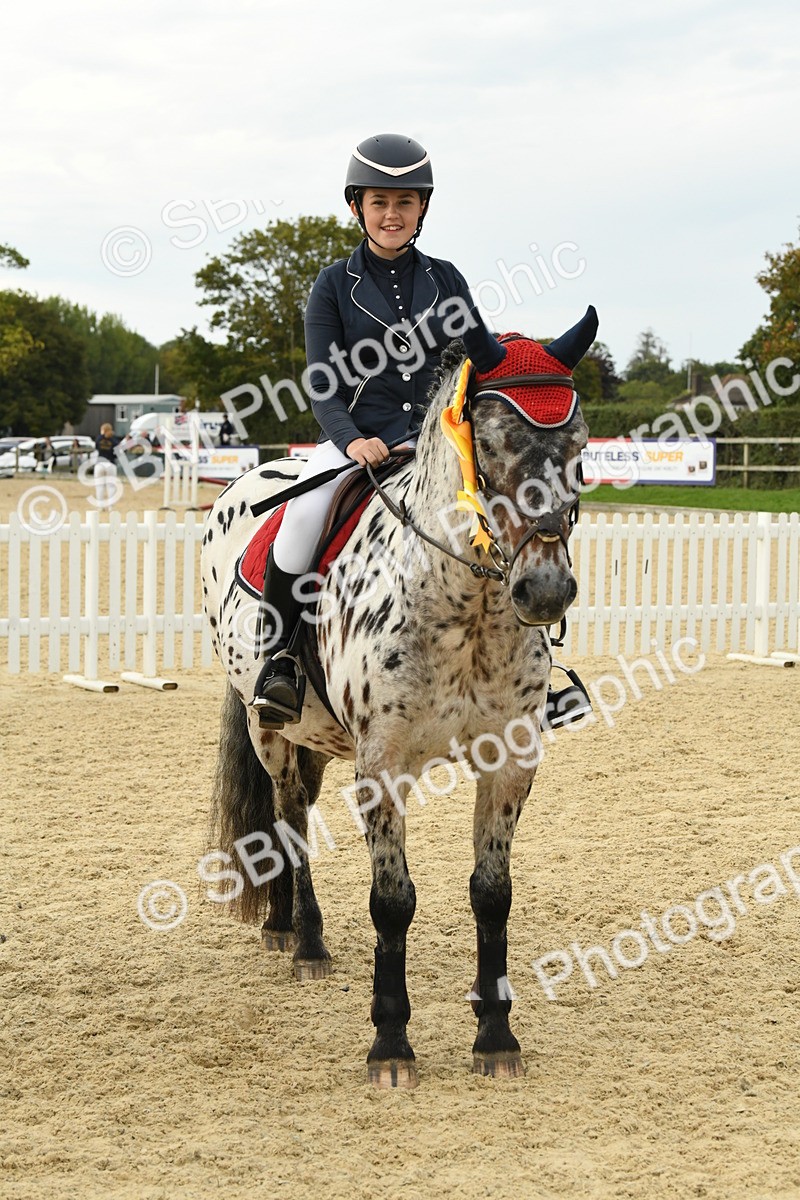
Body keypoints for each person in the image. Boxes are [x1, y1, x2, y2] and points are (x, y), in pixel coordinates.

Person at [250, 133, 507, 726]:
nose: (392, 214)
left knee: (509, 515)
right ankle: (280, 661)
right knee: (302, 518)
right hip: (357, 443)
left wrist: (533, 364)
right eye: (379, 203)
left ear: (422, 208)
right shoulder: (332, 285)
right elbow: (322, 385)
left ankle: (533, 670)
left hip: (439, 448)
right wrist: (351, 440)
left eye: (405, 203)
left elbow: (487, 357)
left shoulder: (447, 280)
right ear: (356, 207)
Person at [94, 422, 122, 507]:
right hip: (110, 464)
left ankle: (100, 506)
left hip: (100, 464)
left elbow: (96, 447)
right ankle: (111, 506)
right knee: (111, 486)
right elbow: (117, 453)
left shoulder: (99, 439)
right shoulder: (114, 440)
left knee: (99, 486)